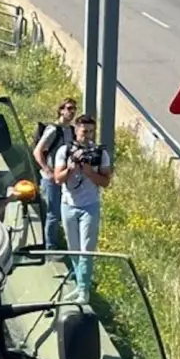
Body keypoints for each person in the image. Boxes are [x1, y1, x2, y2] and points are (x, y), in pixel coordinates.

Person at [51, 114, 112, 302]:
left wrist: (89, 172)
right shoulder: (65, 151)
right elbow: (57, 178)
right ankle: (79, 285)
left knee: (87, 249)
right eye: (85, 131)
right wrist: (71, 169)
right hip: (68, 204)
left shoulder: (100, 153)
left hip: (89, 206)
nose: (88, 135)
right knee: (74, 249)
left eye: (92, 132)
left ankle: (84, 291)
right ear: (76, 131)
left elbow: (106, 181)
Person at [31, 99, 78, 251]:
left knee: (66, 209)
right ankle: (51, 247)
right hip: (51, 178)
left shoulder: (71, 130)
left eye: (74, 109)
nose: (72, 112)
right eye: (69, 108)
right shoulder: (53, 130)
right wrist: (47, 170)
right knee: (53, 213)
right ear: (61, 110)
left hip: (65, 175)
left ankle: (63, 242)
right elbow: (37, 151)